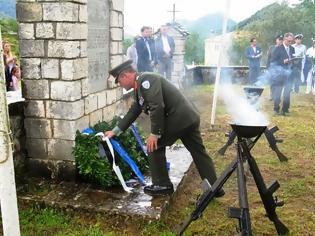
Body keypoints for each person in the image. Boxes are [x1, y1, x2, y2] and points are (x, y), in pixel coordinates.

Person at [105, 60, 225, 197]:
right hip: (188, 118)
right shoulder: (139, 87)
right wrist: (115, 131)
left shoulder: (146, 80)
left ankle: (162, 184)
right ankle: (215, 187)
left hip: (179, 119)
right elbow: (134, 111)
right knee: (198, 152)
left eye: (119, 81)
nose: (120, 85)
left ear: (124, 75)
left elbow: (157, 106)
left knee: (153, 145)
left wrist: (155, 134)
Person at [270, 32, 295, 116]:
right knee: (278, 92)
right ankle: (276, 109)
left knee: (287, 92)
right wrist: (283, 61)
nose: (290, 43)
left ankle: (285, 109)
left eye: (291, 41)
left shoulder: (292, 48)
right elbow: (273, 61)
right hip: (279, 74)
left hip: (289, 73)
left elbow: (293, 59)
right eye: (289, 41)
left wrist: (295, 61)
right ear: (284, 39)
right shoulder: (277, 48)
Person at [266, 34, 283, 100]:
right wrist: (267, 68)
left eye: (281, 40)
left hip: (280, 68)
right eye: (279, 39)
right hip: (272, 68)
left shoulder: (284, 48)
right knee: (272, 83)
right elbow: (268, 58)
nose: (280, 41)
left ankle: (278, 96)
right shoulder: (271, 48)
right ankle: (272, 96)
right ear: (276, 40)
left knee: (279, 83)